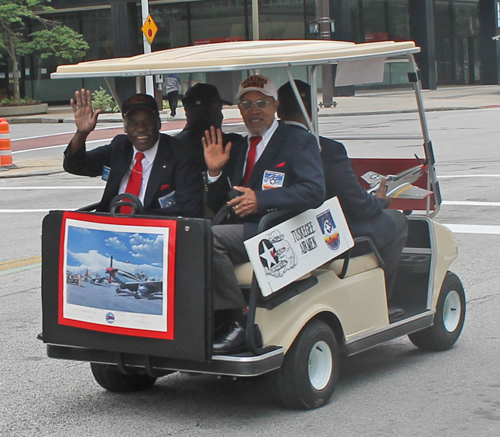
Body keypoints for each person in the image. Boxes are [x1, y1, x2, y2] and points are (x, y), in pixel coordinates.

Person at [203, 75, 325, 354]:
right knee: (188, 235)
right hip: (243, 228)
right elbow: (221, 201)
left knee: (210, 238)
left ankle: (238, 321)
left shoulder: (297, 141)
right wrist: (215, 173)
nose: (254, 110)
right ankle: (202, 317)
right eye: (246, 104)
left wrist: (262, 200)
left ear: (275, 106)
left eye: (261, 103)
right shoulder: (239, 147)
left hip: (277, 228)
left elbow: (314, 191)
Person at [277, 80, 408, 307]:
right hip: (319, 236)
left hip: (280, 232)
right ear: (312, 110)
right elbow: (358, 205)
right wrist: (380, 201)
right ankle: (380, 301)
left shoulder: (263, 147)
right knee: (397, 220)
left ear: (277, 109)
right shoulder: (327, 149)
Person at [63, 89, 203, 217]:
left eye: (147, 122)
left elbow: (189, 208)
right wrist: (82, 133)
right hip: (110, 229)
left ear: (158, 123)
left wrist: (138, 220)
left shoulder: (180, 153)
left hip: (154, 232)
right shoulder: (120, 146)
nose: (140, 129)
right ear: (125, 127)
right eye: (134, 123)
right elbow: (75, 165)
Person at [176, 83, 242, 171]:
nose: (221, 116)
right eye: (219, 110)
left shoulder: (172, 146)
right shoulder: (233, 144)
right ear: (212, 110)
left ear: (186, 111)